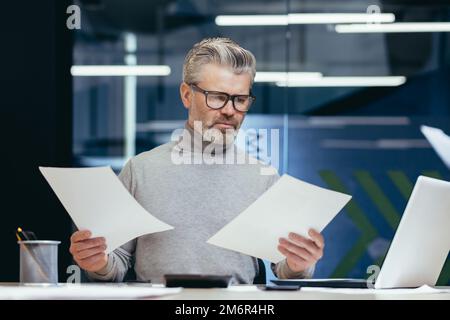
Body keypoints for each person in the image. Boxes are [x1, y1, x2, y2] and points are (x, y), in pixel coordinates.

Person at [69, 37, 325, 284]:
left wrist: (298, 263)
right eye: (216, 96)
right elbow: (117, 262)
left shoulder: (264, 177)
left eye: (240, 99)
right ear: (186, 95)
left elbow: (283, 267)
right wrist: (97, 262)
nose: (229, 110)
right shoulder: (141, 170)